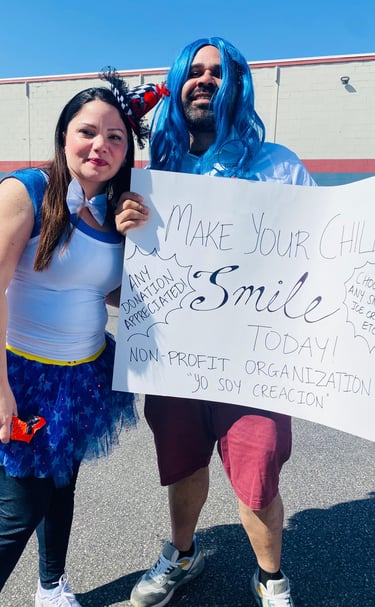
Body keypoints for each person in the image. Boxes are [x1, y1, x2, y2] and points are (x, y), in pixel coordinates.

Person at [116, 37, 316, 607]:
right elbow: (127, 276)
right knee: (181, 465)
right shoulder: (157, 172)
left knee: (256, 479)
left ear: (237, 86)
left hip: (255, 362)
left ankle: (271, 578)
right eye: (194, 72)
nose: (204, 80)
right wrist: (127, 227)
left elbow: (316, 260)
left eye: (218, 72)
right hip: (178, 359)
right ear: (179, 84)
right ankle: (182, 554)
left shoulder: (279, 166)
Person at [0, 70, 164, 607]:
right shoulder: (26, 191)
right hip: (22, 374)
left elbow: (108, 294)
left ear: (127, 150)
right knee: (19, 506)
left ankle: (52, 584)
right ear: (64, 135)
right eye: (87, 131)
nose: (101, 145)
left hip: (84, 371)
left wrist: (142, 243)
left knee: (63, 483)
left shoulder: (118, 209)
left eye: (115, 136)